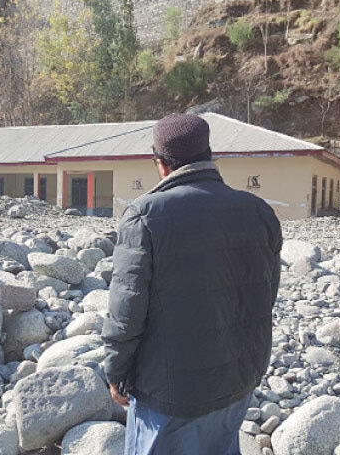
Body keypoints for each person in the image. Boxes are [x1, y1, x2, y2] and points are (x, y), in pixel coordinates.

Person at [102, 113, 282, 454]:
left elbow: (126, 311)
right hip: (237, 379)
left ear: (161, 165)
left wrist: (115, 372)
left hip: (170, 391)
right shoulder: (258, 211)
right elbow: (265, 295)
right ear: (209, 155)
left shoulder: (146, 216)